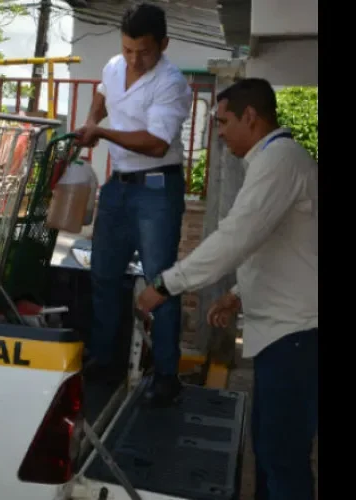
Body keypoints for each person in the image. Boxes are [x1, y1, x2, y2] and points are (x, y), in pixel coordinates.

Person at [137, 78, 318, 500]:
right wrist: (237, 293)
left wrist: (166, 284)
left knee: (282, 455)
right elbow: (270, 243)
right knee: (270, 449)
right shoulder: (272, 161)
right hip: (283, 333)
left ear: (250, 117)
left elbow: (235, 237)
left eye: (222, 122)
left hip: (297, 335)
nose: (217, 133)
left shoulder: (279, 161)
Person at [74, 2, 193, 406]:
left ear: (163, 44)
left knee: (161, 281)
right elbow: (103, 93)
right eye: (127, 49)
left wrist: (101, 133)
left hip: (157, 190)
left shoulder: (171, 82)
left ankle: (166, 374)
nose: (133, 59)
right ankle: (105, 360)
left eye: (143, 51)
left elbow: (156, 142)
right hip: (118, 187)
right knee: (104, 275)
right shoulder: (113, 65)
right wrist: (93, 119)